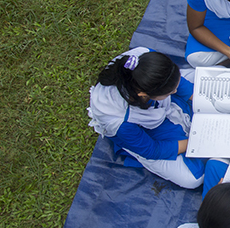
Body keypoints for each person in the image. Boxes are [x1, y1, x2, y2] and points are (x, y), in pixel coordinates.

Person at [87, 47, 204, 189]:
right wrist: (198, 141)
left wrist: (199, 99)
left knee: (201, 81)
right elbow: (152, 149)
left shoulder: (143, 58)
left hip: (154, 98)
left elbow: (179, 83)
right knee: (192, 179)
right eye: (170, 91)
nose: (175, 91)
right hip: (145, 133)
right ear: (144, 95)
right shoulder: (120, 122)